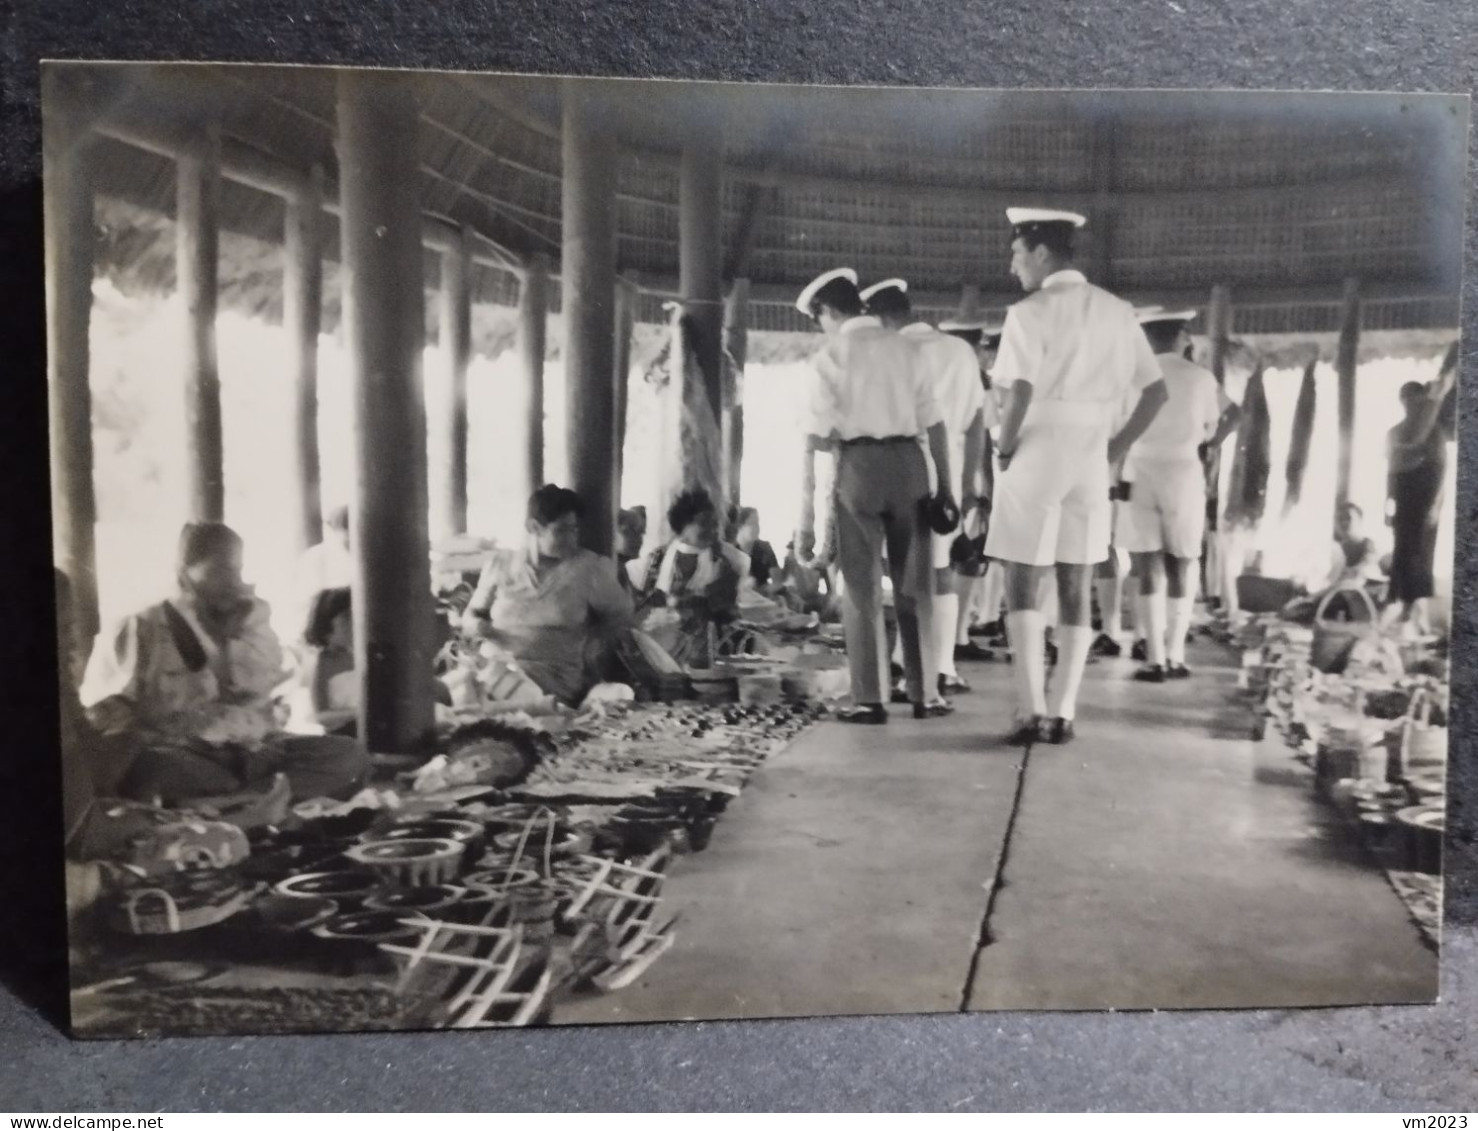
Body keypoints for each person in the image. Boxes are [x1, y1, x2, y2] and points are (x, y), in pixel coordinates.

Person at [984, 208, 1168, 745]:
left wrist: (1005, 447)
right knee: (1075, 580)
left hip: (1038, 440)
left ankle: (1028, 708)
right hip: (1091, 451)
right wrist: (1114, 448)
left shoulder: (1028, 311)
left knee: (1022, 575)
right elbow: (1156, 392)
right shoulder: (1117, 310)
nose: (1014, 266)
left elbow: (1017, 391)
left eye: (1018, 255)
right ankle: (1062, 713)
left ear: (1042, 253)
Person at [80, 522, 369, 806]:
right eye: (220, 570)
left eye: (238, 570)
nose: (234, 581)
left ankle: (236, 801)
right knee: (153, 771)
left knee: (348, 755)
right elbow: (107, 717)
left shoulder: (250, 625)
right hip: (186, 756)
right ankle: (256, 800)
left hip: (254, 752)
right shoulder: (142, 627)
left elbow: (268, 701)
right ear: (185, 572)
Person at [794, 267, 955, 724]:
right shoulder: (908, 348)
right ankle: (926, 695)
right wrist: (945, 487)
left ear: (828, 311)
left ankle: (870, 699)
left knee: (861, 587)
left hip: (858, 468)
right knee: (915, 584)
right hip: (910, 465)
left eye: (819, 317)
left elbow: (816, 438)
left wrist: (807, 508)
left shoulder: (831, 356)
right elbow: (936, 423)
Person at [863, 277, 985, 704]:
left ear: (879, 318)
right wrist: (968, 484)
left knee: (905, 573)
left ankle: (912, 669)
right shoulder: (959, 351)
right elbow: (975, 424)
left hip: (903, 467)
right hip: (947, 469)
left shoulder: (884, 354)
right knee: (942, 571)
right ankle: (941, 666)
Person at [1119, 308, 1241, 682]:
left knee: (1147, 565)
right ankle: (1175, 654)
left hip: (1138, 470)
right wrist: (1213, 443)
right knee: (1183, 562)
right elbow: (1233, 413)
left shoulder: (1131, 376)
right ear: (1179, 337)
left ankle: (1153, 658)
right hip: (1184, 470)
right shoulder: (1200, 377)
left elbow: (1118, 429)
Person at [462, 485, 634, 705]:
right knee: (454, 689)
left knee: (501, 702)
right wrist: (476, 625)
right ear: (534, 527)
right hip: (494, 667)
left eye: (574, 529)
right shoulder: (500, 564)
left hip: (552, 679)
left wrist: (593, 645)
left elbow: (622, 614)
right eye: (562, 530)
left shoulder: (588, 568)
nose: (572, 539)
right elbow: (471, 615)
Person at [1386, 348, 1458, 637]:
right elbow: (1391, 473)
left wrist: (1436, 505)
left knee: (1420, 551)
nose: (1408, 406)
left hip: (1425, 496)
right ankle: (1402, 607)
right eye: (1404, 402)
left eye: (1413, 401)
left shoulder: (1434, 432)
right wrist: (1387, 504)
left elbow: (1442, 470)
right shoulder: (1395, 432)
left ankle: (1415, 612)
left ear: (1420, 401)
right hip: (1403, 495)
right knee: (1402, 549)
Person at [636, 488, 752, 667]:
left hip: (708, 651)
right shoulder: (657, 559)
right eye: (704, 523)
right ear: (683, 526)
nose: (713, 530)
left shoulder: (725, 562)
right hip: (660, 649)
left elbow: (727, 609)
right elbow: (644, 605)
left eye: (715, 524)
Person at [291, 504, 352, 641]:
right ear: (334, 530)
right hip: (324, 630)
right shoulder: (316, 558)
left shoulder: (370, 560)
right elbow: (309, 606)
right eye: (346, 531)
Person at [729, 506, 782, 595]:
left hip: (764, 598)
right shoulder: (731, 551)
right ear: (740, 526)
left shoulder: (765, 548)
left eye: (758, 523)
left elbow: (777, 582)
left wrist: (765, 591)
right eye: (752, 523)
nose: (757, 528)